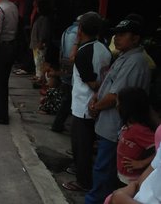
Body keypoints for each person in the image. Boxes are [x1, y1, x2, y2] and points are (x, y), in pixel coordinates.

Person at [86, 15, 151, 204]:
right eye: (116, 34)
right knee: (103, 170)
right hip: (108, 125)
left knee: (104, 172)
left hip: (115, 129)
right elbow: (107, 86)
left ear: (136, 38)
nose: (117, 38)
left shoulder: (136, 62)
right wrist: (95, 100)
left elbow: (116, 96)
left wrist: (96, 107)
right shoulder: (124, 57)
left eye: (123, 34)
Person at [62, 12, 112, 193]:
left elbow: (91, 82)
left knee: (80, 146)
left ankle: (83, 181)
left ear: (80, 29)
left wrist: (100, 89)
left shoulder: (84, 52)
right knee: (88, 144)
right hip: (94, 106)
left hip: (84, 106)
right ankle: (82, 172)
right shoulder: (103, 48)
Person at [115, 87, 157, 185]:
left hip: (132, 181)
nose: (116, 106)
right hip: (122, 176)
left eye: (119, 103)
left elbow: (159, 150)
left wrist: (142, 163)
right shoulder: (128, 125)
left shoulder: (139, 130)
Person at [51, 16, 80, 133]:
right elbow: (72, 56)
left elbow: (62, 50)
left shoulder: (68, 30)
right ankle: (59, 125)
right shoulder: (77, 33)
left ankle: (58, 124)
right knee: (69, 99)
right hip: (72, 68)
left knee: (67, 98)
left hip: (65, 66)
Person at [30, 0, 51, 85]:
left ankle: (40, 77)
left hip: (39, 44)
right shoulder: (40, 18)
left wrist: (41, 41)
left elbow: (43, 32)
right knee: (37, 60)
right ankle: (38, 75)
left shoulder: (44, 19)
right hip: (36, 43)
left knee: (40, 60)